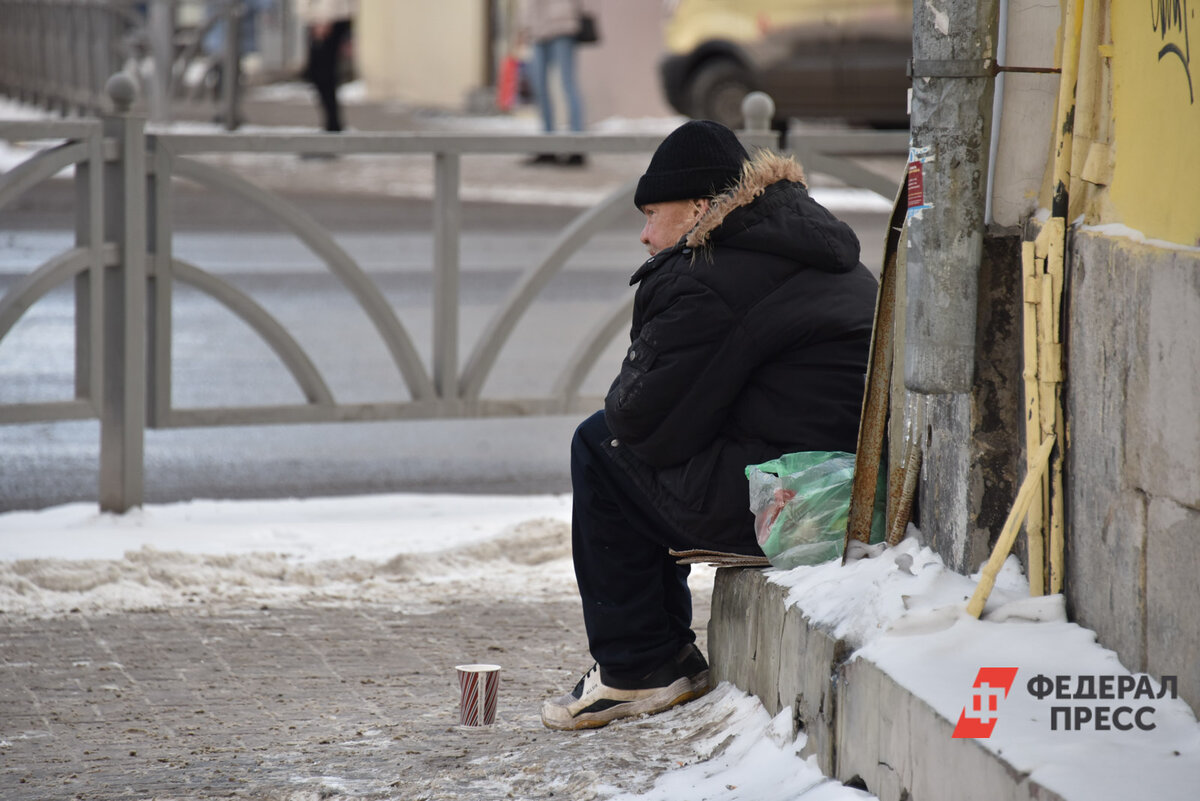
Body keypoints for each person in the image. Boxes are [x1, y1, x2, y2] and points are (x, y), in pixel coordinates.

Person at [541, 120, 879, 731]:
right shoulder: (805, 248)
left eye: (651, 213)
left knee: (601, 445)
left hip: (795, 503)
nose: (645, 235)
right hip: (846, 483)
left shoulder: (711, 274)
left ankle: (640, 667)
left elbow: (644, 422)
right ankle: (661, 654)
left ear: (700, 207)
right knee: (637, 454)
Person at [517, 0, 588, 166]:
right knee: (540, 87)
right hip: (536, 27)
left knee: (568, 85)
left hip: (562, 24)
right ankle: (547, 146)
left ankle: (577, 146)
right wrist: (523, 26)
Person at [297, 0, 358, 134]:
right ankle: (332, 123)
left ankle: (333, 124)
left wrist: (324, 19)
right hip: (323, 18)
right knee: (320, 73)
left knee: (323, 73)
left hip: (328, 19)